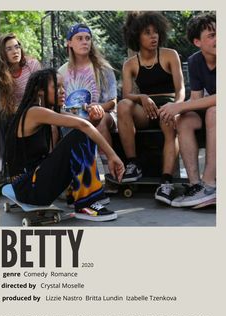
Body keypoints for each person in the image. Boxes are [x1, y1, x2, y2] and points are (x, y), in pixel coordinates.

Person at [4, 68, 125, 222]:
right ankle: (85, 204)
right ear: (39, 91)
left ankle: (81, 198)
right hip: (29, 189)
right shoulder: (34, 112)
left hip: (32, 184)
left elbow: (88, 126)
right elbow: (83, 128)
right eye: (57, 87)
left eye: (63, 86)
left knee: (81, 134)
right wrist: (112, 155)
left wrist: (95, 119)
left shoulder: (47, 111)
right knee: (80, 133)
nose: (63, 91)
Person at [117, 11, 185, 204]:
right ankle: (133, 164)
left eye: (156, 32)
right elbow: (127, 95)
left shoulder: (170, 55)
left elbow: (181, 90)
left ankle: (166, 182)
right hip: (145, 109)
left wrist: (175, 106)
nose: (153, 36)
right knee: (123, 106)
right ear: (137, 35)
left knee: (169, 125)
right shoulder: (130, 64)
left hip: (169, 105)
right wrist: (142, 97)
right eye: (147, 32)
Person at [159, 13, 216, 207]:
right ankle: (195, 186)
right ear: (197, 42)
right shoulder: (194, 61)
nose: (218, 39)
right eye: (212, 35)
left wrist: (179, 105)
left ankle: (209, 185)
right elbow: (197, 100)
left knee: (214, 112)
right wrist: (178, 111)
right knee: (185, 119)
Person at [58, 23, 118, 193]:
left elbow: (113, 101)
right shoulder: (62, 72)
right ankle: (75, 181)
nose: (85, 42)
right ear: (69, 43)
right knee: (61, 126)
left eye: (88, 38)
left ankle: (111, 176)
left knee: (99, 120)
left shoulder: (103, 68)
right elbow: (59, 103)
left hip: (104, 114)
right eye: (79, 38)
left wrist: (99, 107)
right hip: (73, 118)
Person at [0, 33, 41, 170]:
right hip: (12, 112)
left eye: (17, 47)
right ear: (2, 53)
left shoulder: (32, 65)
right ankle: (6, 166)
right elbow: (3, 104)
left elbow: (42, 91)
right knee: (2, 118)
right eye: (9, 49)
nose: (15, 51)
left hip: (34, 109)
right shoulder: (0, 73)